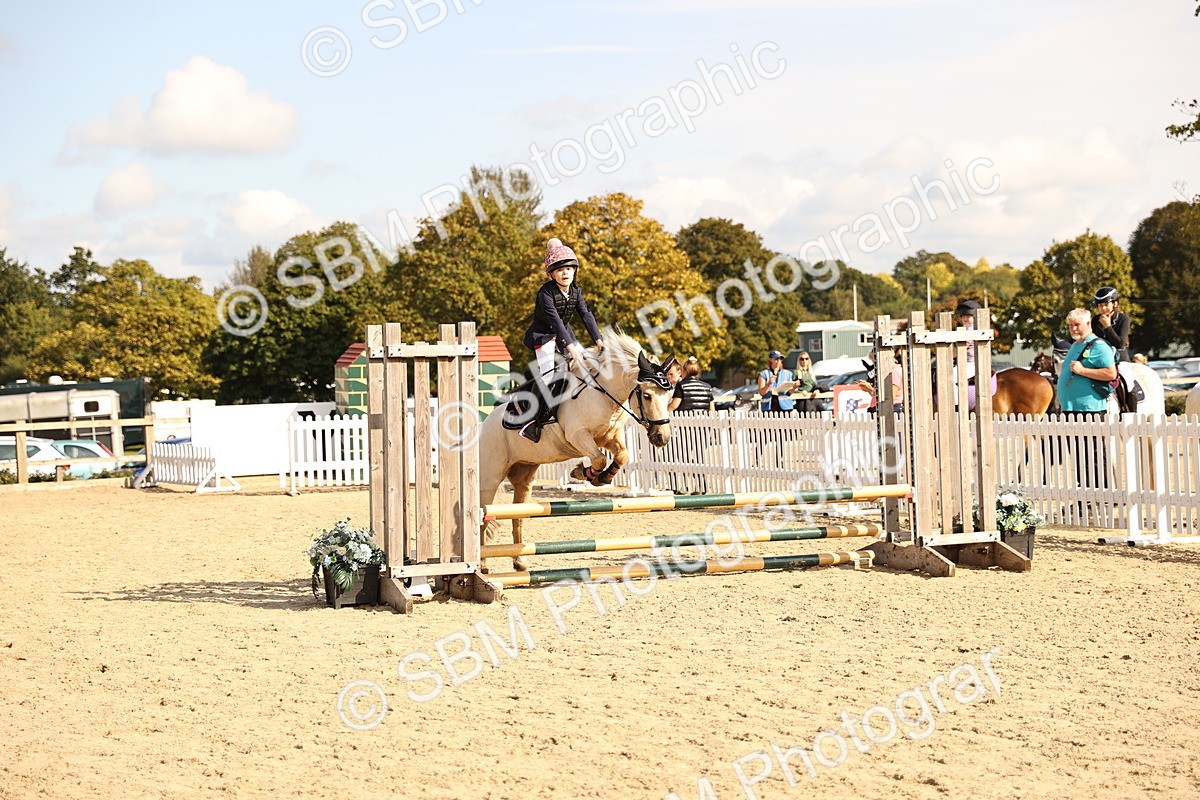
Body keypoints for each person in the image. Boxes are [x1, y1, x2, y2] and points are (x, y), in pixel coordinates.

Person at [519, 238, 604, 442]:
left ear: (575, 270)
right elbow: (555, 322)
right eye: (559, 270)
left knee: (586, 365)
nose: (565, 273)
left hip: (565, 332)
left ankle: (575, 409)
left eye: (569, 268)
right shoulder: (545, 294)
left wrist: (599, 340)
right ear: (551, 274)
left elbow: (586, 314)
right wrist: (570, 348)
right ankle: (532, 421)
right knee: (548, 375)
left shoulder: (576, 291)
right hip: (545, 335)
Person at [1057, 307, 1117, 493]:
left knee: (1095, 454)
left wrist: (1083, 371)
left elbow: (1110, 373)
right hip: (1071, 408)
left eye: (1077, 325)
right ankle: (1086, 493)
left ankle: (1102, 494)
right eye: (1070, 326)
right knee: (1078, 456)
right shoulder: (1075, 345)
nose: (1073, 329)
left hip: (1090, 408)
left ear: (1088, 324)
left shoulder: (1099, 345)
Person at [1091, 286, 1131, 362]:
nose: (1103, 308)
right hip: (1101, 359)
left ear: (1114, 304)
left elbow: (1120, 344)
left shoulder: (1123, 318)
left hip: (1119, 359)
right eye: (1100, 305)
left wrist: (1108, 326)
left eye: (1106, 304)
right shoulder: (1095, 319)